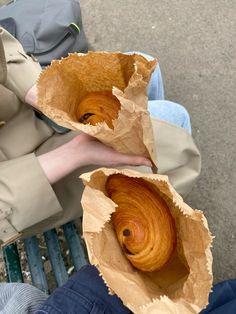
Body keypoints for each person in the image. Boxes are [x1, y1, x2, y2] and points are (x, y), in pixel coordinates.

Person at [0, 26, 201, 246]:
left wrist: (32, 87)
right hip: (31, 179)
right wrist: (76, 153)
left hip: (23, 109)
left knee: (145, 64)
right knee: (174, 119)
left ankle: (148, 186)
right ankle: (141, 199)